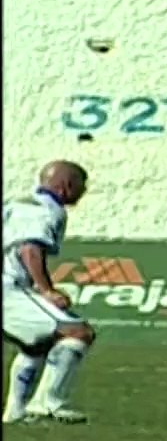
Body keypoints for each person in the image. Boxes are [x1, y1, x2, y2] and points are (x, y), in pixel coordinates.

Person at [3, 161, 97, 424]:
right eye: (81, 185)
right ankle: (48, 402)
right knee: (79, 332)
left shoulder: (16, 203)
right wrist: (46, 290)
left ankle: (15, 412)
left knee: (36, 343)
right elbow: (29, 249)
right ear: (66, 186)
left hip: (12, 288)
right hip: (8, 289)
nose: (84, 191)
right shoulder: (46, 210)